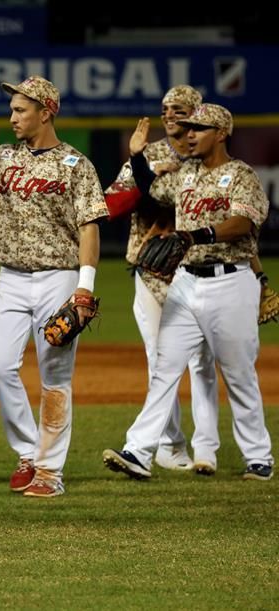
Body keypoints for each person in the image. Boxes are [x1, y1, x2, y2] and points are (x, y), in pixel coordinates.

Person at [103, 104, 274, 482]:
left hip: (230, 282)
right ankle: (138, 450)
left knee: (238, 373)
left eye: (200, 128)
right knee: (165, 369)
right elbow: (150, 186)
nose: (190, 134)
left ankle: (258, 457)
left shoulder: (241, 174)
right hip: (185, 281)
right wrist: (136, 155)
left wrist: (197, 235)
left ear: (222, 133)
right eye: (188, 128)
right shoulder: (186, 175)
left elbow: (243, 223)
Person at [0, 76, 108, 497]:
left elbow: (90, 230)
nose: (13, 117)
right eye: (12, 110)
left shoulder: (76, 165)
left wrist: (84, 288)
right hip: (10, 278)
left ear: (46, 112)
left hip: (59, 277)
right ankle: (29, 451)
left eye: (21, 110)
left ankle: (49, 472)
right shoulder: (0, 158)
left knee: (54, 377)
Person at [104, 86, 220, 473]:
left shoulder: (209, 157)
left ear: (196, 114)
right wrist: (147, 173)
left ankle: (207, 450)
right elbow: (112, 205)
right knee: (159, 359)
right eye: (166, 108)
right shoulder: (149, 154)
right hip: (152, 269)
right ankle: (170, 446)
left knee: (203, 362)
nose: (170, 115)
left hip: (200, 267)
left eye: (180, 109)